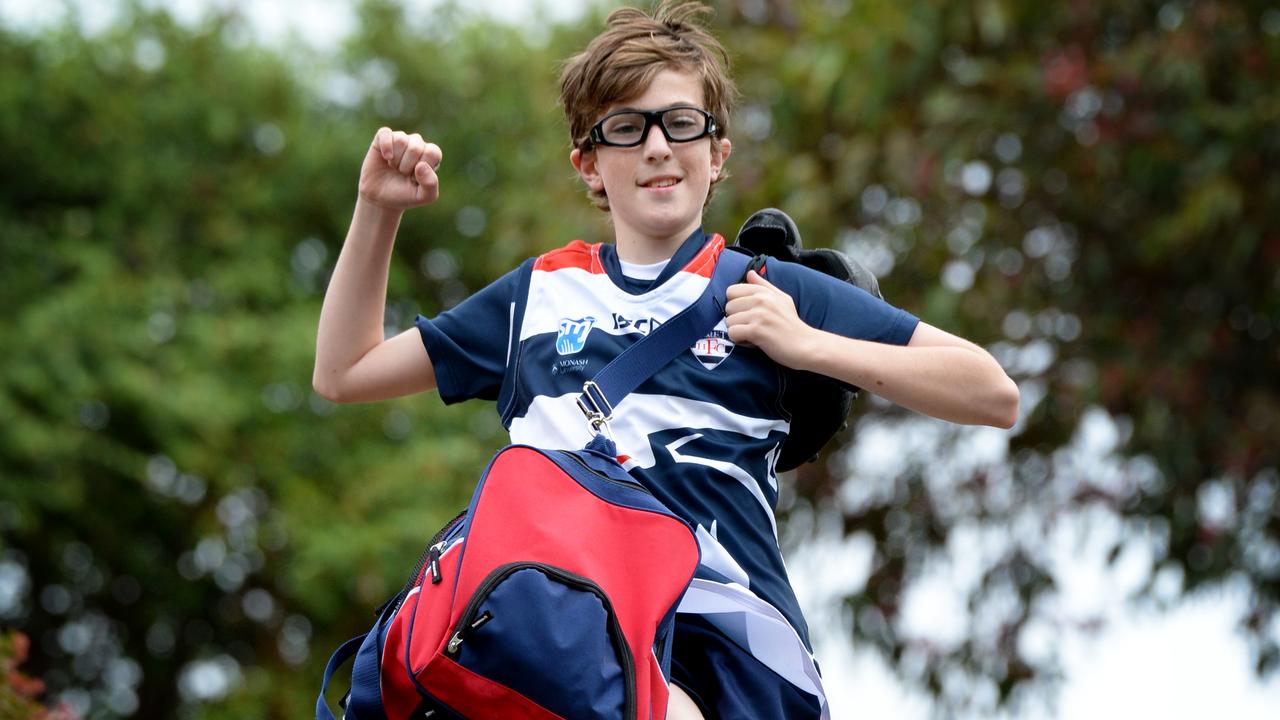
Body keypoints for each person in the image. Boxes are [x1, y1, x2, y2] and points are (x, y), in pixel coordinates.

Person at [313, 1, 1020, 717]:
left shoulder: (771, 290)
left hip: (721, 639)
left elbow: (991, 391)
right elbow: (344, 372)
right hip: (558, 628)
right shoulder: (539, 293)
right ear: (589, 165)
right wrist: (378, 210)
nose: (656, 147)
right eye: (626, 127)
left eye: (680, 123)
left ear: (717, 154)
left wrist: (809, 346)